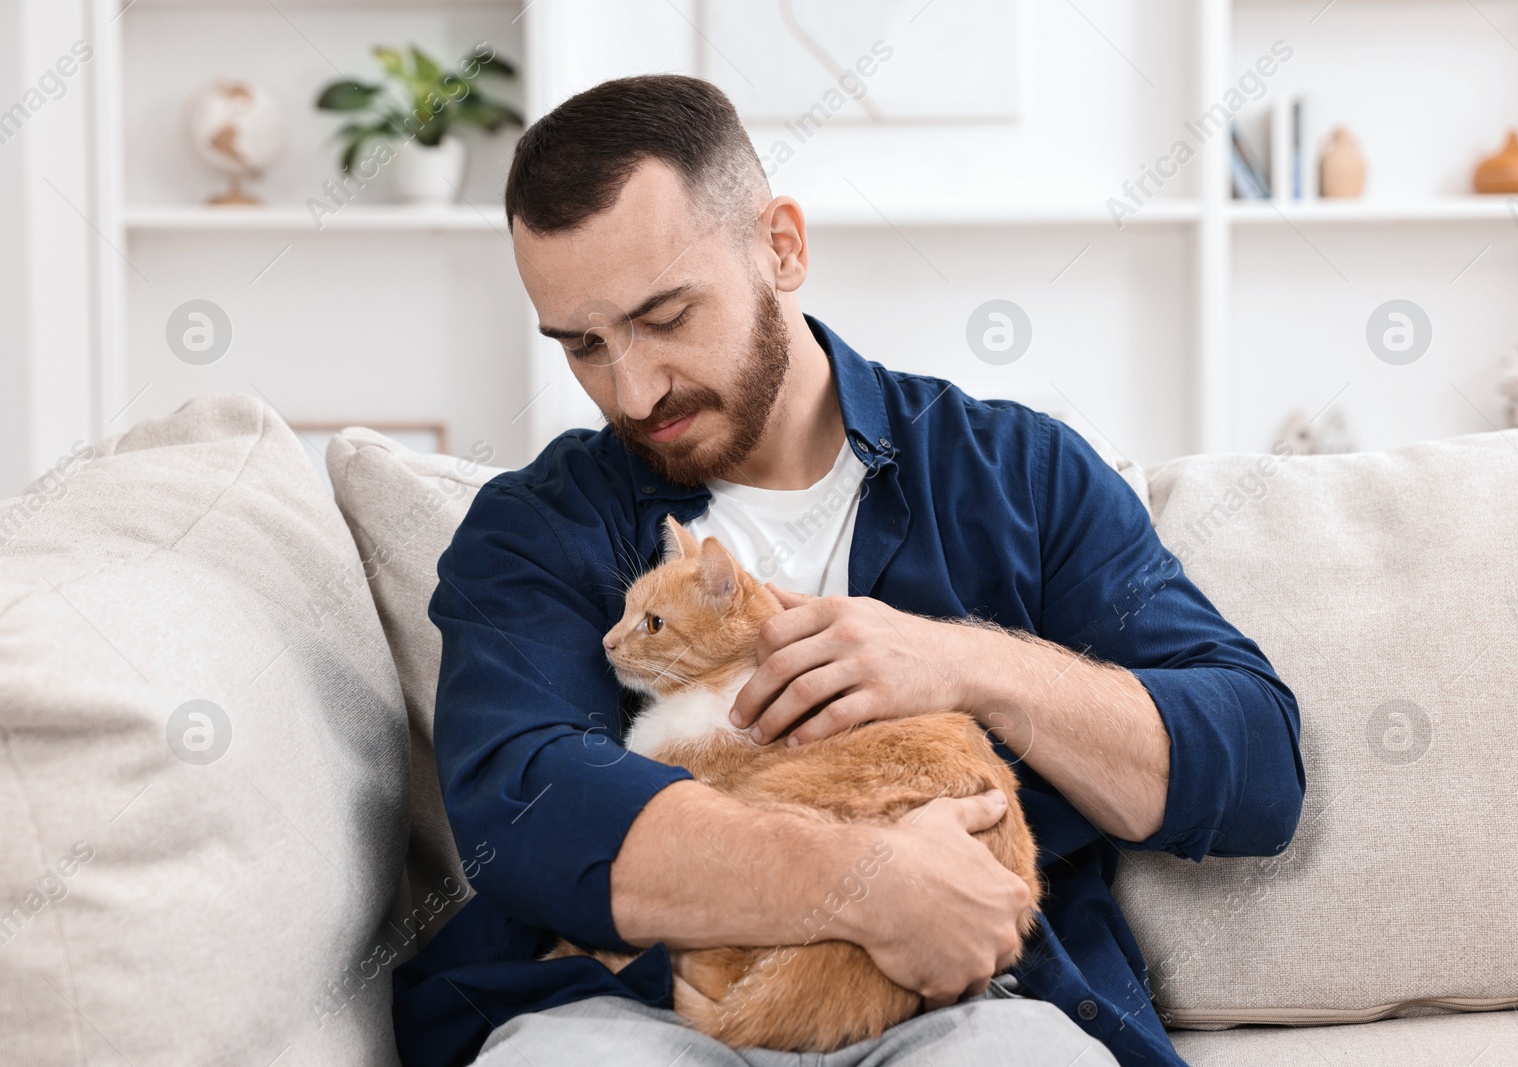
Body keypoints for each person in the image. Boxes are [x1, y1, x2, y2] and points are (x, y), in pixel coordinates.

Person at [391, 74, 1305, 1067]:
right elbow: (522, 807)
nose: (631, 387)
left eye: (664, 317)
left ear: (780, 247)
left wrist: (966, 663)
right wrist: (865, 881)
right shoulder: (534, 529)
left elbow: (1253, 765)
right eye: (584, 345)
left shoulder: (1016, 472)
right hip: (632, 1008)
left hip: (964, 1001)